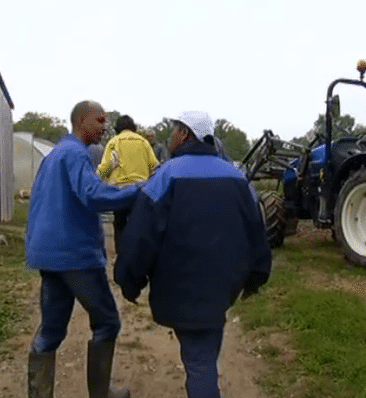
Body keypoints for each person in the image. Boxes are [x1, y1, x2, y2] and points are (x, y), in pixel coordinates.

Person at [114, 111, 272, 398]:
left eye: (174, 129)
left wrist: (129, 279)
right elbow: (257, 232)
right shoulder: (238, 179)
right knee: (205, 354)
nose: (170, 135)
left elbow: (141, 236)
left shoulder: (167, 176)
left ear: (185, 134)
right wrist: (257, 276)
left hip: (184, 287)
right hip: (223, 286)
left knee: (199, 363)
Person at [26, 101, 136, 398]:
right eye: (99, 120)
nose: (104, 126)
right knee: (107, 322)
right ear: (81, 121)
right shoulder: (75, 154)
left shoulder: (56, 155)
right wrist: (138, 190)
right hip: (75, 255)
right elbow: (94, 194)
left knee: (51, 330)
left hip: (49, 255)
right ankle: (102, 394)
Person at [97, 115, 158, 254]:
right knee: (139, 224)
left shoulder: (114, 142)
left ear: (118, 128)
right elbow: (154, 166)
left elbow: (107, 166)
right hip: (140, 189)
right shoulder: (143, 142)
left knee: (119, 224)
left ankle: (120, 256)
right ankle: (138, 255)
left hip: (120, 191)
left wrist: (96, 176)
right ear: (134, 127)